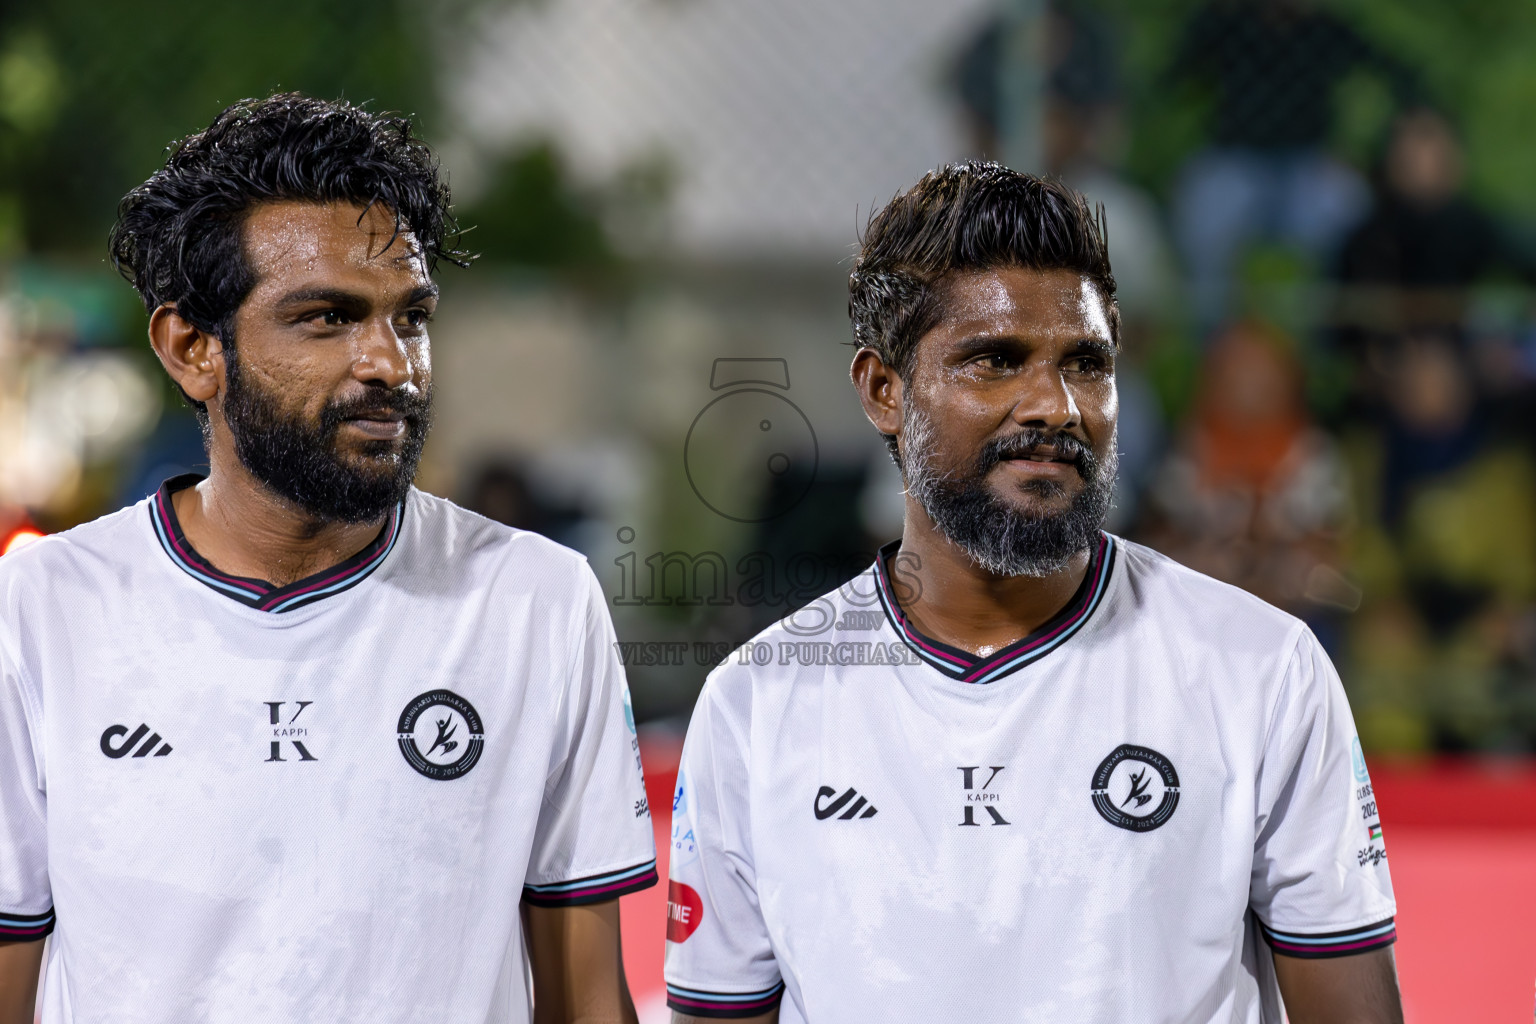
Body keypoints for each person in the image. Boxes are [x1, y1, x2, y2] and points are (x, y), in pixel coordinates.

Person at [663, 163, 1401, 1023]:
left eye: (1086, 363)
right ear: (883, 390)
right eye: (995, 361)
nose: (1054, 405)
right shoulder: (758, 703)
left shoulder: (1262, 669)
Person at [0, 94, 656, 1024]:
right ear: (193, 349)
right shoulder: (40, 607)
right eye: (327, 319)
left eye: (411, 318)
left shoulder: (534, 600)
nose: (392, 363)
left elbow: (590, 999)